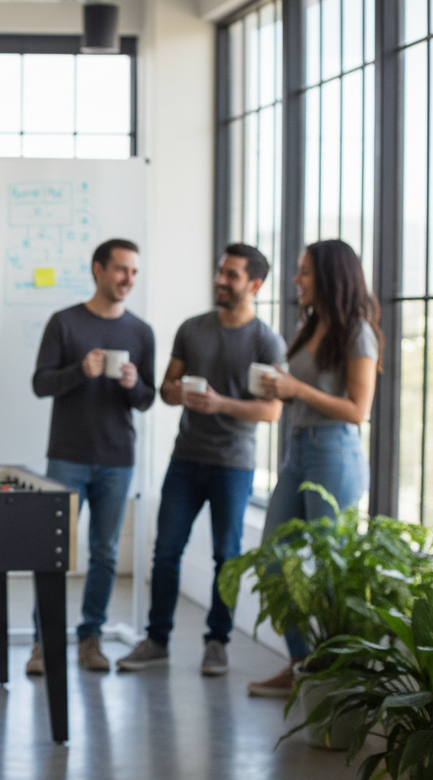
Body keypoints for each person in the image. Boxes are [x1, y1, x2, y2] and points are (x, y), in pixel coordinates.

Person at [116, 244, 285, 676]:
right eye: (220, 272)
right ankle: (156, 640)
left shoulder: (267, 340)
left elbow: (271, 411)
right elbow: (168, 387)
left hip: (234, 463)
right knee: (166, 551)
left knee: (227, 557)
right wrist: (179, 393)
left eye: (231, 275)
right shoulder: (193, 328)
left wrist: (220, 404)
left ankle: (217, 642)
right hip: (186, 459)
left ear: (255, 284)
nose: (221, 280)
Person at [247, 239, 382, 698]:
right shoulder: (310, 327)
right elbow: (298, 387)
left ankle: (332, 679)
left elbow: (357, 410)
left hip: (333, 453)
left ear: (328, 276)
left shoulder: (356, 331)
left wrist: (295, 389)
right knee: (272, 558)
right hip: (298, 449)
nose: (297, 280)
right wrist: (280, 388)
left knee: (329, 571)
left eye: (304, 272)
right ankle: (302, 662)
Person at [28, 238, 157, 675]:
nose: (128, 280)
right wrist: (78, 371)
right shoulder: (65, 323)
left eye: (134, 273)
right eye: (121, 270)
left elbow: (146, 400)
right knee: (52, 554)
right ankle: (42, 644)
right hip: (67, 457)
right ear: (98, 270)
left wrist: (133, 384)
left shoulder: (141, 332)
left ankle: (91, 639)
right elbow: (41, 384)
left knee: (103, 553)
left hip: (118, 459)